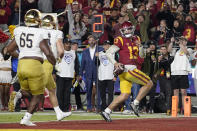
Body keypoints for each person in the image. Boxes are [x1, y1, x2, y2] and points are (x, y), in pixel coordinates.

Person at [3, 9, 56, 126]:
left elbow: (8, 50)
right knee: (38, 95)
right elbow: (47, 52)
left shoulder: (19, 31)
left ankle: (18, 94)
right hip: (34, 65)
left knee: (27, 92)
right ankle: (26, 119)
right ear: (38, 21)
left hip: (21, 65)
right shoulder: (40, 32)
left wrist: (22, 55)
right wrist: (53, 62)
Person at [100, 21, 153, 122]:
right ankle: (135, 103)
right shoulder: (120, 39)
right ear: (122, 31)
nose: (127, 31)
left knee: (125, 94)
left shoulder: (136, 38)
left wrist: (140, 46)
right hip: (129, 69)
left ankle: (106, 111)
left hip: (124, 73)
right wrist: (115, 63)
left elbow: (142, 56)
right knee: (149, 83)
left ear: (132, 29)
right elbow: (109, 53)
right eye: (125, 30)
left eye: (129, 29)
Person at [40, 14, 71, 119]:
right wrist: (59, 59)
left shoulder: (39, 32)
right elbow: (61, 51)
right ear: (53, 23)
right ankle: (19, 94)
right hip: (48, 62)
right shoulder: (57, 33)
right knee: (38, 87)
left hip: (37, 60)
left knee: (52, 89)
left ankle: (59, 113)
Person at [168, 36, 193, 114]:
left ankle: (185, 109)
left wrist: (180, 43)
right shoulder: (176, 51)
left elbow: (186, 52)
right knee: (175, 92)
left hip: (183, 72)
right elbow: (169, 50)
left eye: (183, 40)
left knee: (183, 92)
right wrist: (172, 42)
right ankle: (176, 109)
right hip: (175, 72)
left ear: (186, 42)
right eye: (181, 40)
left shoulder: (189, 49)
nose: (182, 42)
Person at [79, 35, 103, 112]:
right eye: (90, 40)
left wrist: (99, 56)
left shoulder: (100, 49)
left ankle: (99, 107)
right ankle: (89, 107)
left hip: (98, 72)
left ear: (95, 41)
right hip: (88, 73)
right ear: (88, 41)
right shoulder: (85, 51)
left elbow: (104, 61)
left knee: (99, 91)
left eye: (93, 40)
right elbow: (82, 63)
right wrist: (80, 74)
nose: (91, 42)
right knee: (88, 91)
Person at [56, 39, 79, 112]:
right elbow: (54, 62)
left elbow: (77, 65)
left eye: (69, 43)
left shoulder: (74, 52)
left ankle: (66, 109)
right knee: (59, 93)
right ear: (63, 44)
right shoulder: (60, 51)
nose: (68, 45)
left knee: (67, 93)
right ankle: (59, 108)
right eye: (66, 43)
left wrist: (78, 74)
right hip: (60, 75)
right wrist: (53, 72)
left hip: (70, 75)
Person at [96, 40, 116, 111]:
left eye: (108, 45)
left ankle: (110, 107)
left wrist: (115, 76)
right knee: (102, 93)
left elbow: (116, 65)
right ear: (103, 46)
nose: (106, 46)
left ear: (110, 46)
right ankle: (103, 107)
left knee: (110, 93)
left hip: (111, 76)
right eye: (105, 45)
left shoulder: (113, 53)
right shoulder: (100, 53)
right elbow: (96, 65)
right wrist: (96, 57)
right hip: (102, 76)